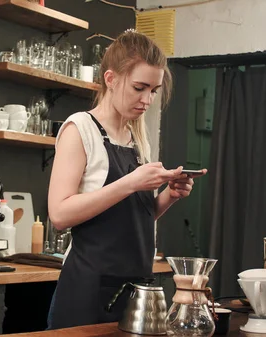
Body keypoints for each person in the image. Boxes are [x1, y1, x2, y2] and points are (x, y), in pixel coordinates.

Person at [46, 29, 207, 330]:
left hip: (134, 291)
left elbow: (133, 217)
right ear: (111, 79)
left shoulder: (135, 139)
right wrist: (131, 182)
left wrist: (168, 196)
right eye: (139, 87)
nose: (147, 100)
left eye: (154, 91)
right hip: (87, 291)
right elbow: (59, 214)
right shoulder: (80, 129)